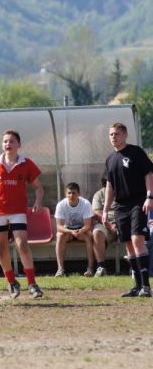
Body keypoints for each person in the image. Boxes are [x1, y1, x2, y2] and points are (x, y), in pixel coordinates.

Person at [0, 130, 44, 299]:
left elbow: (38, 187)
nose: (8, 144)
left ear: (19, 145)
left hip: (17, 211)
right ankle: (12, 282)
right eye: (5, 141)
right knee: (0, 247)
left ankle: (32, 283)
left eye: (12, 141)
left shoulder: (26, 163)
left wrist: (38, 202)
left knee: (22, 244)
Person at [103, 122, 153, 297]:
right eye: (111, 135)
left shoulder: (136, 152)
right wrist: (105, 210)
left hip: (138, 202)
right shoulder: (110, 159)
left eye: (116, 134)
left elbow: (149, 173)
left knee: (137, 238)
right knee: (128, 244)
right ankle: (137, 286)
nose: (113, 138)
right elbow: (109, 186)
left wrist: (149, 197)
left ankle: (146, 286)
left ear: (125, 135)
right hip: (121, 206)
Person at [54, 182, 95, 277]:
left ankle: (90, 268)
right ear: (66, 194)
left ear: (78, 194)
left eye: (73, 193)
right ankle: (60, 269)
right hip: (68, 230)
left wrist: (80, 231)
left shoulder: (85, 204)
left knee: (89, 235)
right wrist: (71, 231)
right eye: (69, 193)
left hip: (82, 230)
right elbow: (59, 227)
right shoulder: (61, 205)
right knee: (59, 235)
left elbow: (88, 225)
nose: (71, 195)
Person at [91, 175, 117, 277]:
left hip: (121, 222)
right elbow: (96, 212)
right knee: (97, 232)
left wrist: (118, 224)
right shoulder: (99, 194)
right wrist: (110, 226)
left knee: (132, 231)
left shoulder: (123, 191)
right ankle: (101, 267)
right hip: (105, 223)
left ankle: (133, 267)